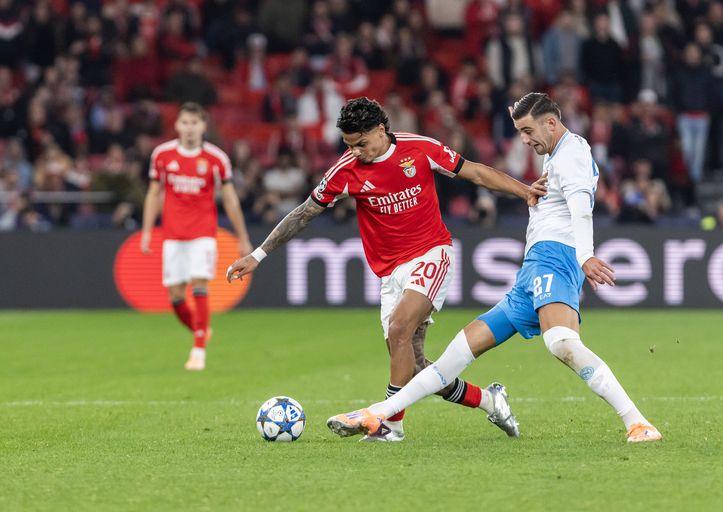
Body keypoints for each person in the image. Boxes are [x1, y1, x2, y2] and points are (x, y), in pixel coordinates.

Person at [327, 93, 662, 444]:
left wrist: (585, 256)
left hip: (556, 257)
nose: (524, 140)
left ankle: (637, 422)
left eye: (528, 130)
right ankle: (378, 416)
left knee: (561, 343)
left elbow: (580, 206)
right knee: (454, 356)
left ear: (551, 122)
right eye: (519, 131)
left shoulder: (573, 152)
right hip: (532, 268)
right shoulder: (558, 154)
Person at [227, 97, 546, 442]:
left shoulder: (419, 149)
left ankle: (389, 426)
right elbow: (304, 213)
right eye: (349, 146)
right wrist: (258, 255)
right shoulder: (345, 170)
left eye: (361, 144)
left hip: (431, 254)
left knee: (398, 329)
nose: (357, 153)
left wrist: (524, 190)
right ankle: (489, 400)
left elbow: (476, 172)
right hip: (389, 273)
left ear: (381, 130)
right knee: (415, 367)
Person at [141, 102, 252, 371]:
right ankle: (201, 330)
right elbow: (154, 193)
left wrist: (243, 237)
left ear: (203, 126)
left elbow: (229, 199)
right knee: (176, 297)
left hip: (203, 233)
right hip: (172, 234)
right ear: (177, 126)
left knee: (200, 286)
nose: (189, 128)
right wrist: (146, 231)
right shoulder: (162, 155)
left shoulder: (216, 159)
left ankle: (198, 351)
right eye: (185, 123)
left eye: (195, 123)